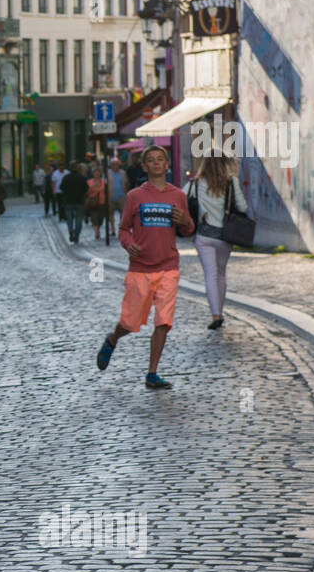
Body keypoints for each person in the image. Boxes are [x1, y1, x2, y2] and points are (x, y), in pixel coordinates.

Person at [95, 145, 194, 389]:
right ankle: (112, 339)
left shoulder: (178, 195)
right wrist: (128, 245)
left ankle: (152, 373)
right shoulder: (135, 197)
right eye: (151, 160)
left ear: (167, 164)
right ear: (145, 166)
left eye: (161, 159)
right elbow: (123, 229)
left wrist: (186, 221)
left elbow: (188, 229)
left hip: (168, 266)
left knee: (163, 320)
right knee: (130, 323)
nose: (156, 163)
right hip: (140, 268)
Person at [189, 155, 249, 329]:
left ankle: (216, 314)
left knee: (210, 274)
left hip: (203, 235)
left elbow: (182, 200)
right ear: (225, 164)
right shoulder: (232, 182)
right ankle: (220, 311)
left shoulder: (196, 183)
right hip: (225, 236)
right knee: (221, 274)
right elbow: (243, 207)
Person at [59, 162, 88, 244]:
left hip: (68, 201)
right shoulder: (81, 178)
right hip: (79, 201)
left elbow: (61, 188)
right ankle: (76, 236)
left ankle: (71, 229)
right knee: (79, 220)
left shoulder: (66, 177)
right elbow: (86, 189)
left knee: (69, 218)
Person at [86, 164, 107, 240]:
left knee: (101, 218)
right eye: (95, 172)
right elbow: (87, 192)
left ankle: (98, 228)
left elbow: (106, 191)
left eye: (98, 172)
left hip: (102, 201)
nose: (97, 174)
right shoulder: (89, 182)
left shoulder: (103, 181)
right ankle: (96, 232)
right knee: (94, 217)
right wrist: (92, 188)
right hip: (93, 203)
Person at [108, 158, 127, 231]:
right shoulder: (108, 173)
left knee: (122, 212)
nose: (115, 166)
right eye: (113, 164)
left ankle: (121, 226)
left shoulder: (123, 173)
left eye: (116, 164)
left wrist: (125, 190)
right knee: (110, 212)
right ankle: (112, 228)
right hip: (111, 195)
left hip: (121, 195)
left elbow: (126, 182)